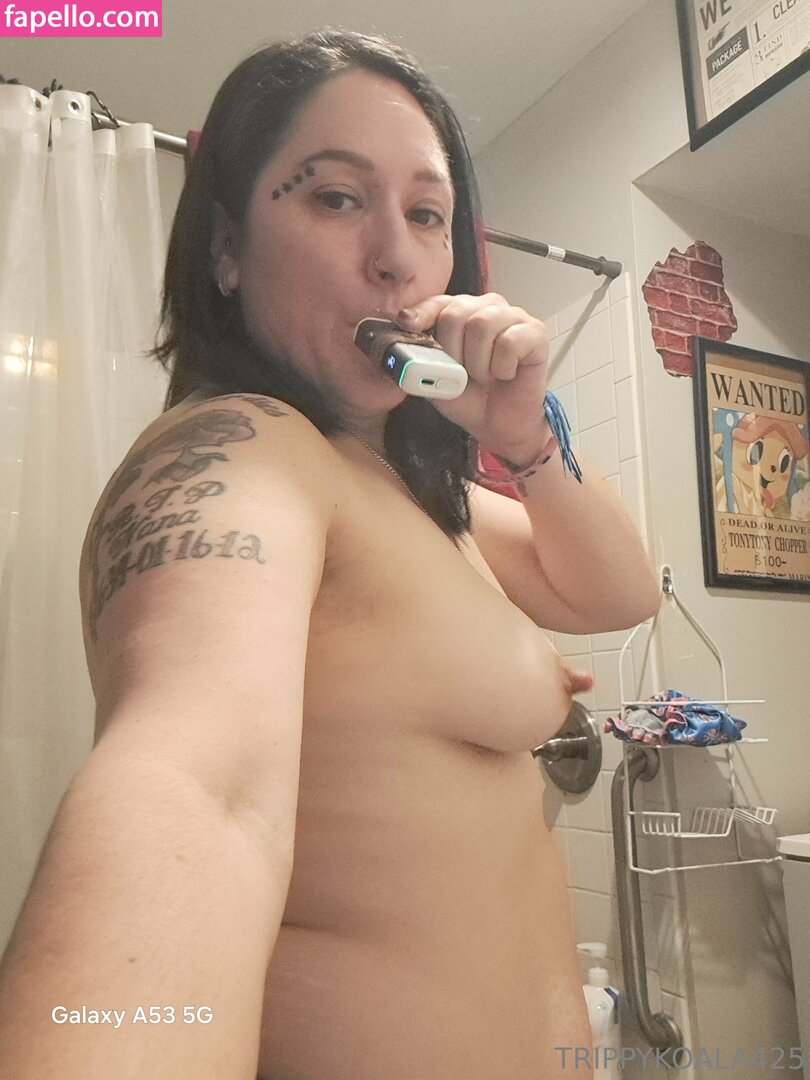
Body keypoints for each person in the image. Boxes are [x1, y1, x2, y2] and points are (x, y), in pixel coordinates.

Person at [0, 30, 660, 1080]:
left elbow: (622, 593)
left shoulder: (420, 499)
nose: (397, 256)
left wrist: (523, 438)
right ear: (226, 249)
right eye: (337, 198)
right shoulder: (246, 448)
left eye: (427, 214)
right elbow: (198, 786)